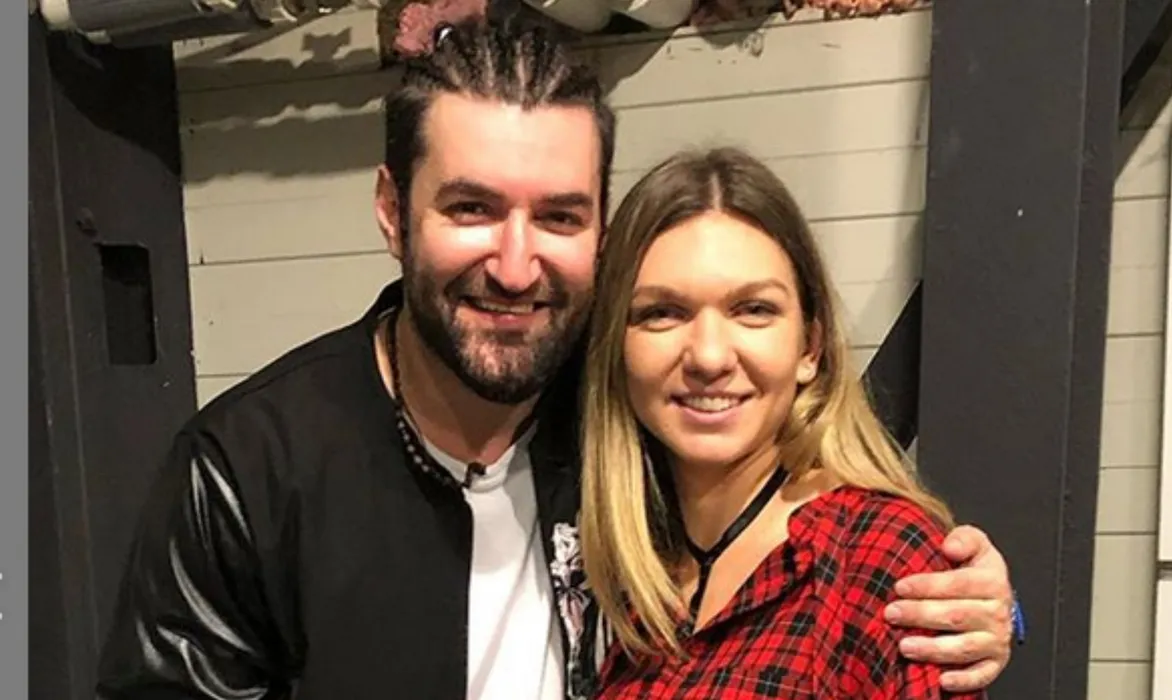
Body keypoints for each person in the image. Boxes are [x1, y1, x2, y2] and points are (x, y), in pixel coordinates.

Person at [95, 18, 1016, 700]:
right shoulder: (250, 471)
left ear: (600, 233)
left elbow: (831, 545)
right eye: (471, 208)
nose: (515, 263)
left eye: (560, 216)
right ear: (391, 210)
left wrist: (988, 608)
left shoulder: (622, 420)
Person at [578, 146, 989, 699]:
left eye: (753, 310)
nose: (709, 356)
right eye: (662, 313)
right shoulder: (617, 566)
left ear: (810, 347)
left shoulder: (878, 562)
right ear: (615, 348)